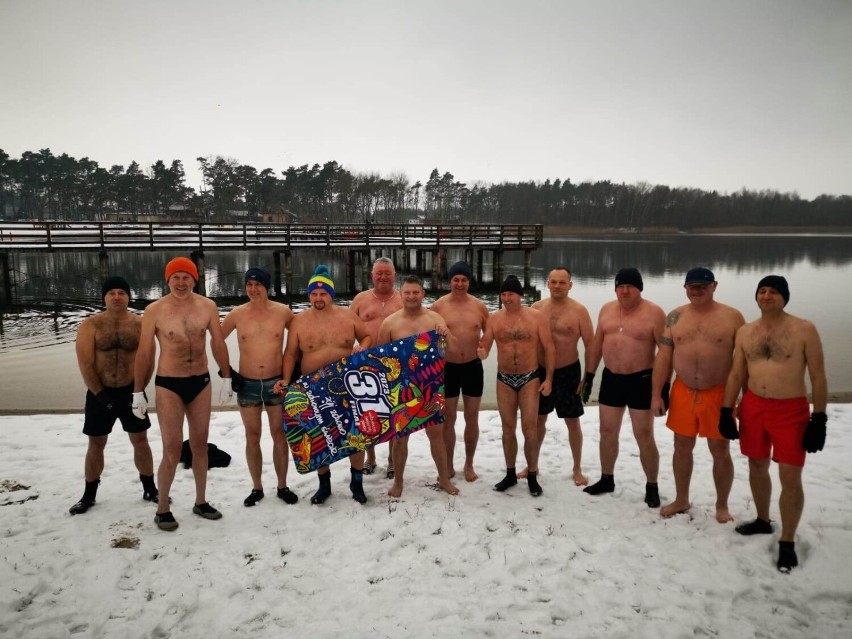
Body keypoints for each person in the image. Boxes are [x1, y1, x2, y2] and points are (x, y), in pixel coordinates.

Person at [719, 275, 827, 573]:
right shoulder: (746, 332)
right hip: (754, 406)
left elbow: (818, 376)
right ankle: (763, 520)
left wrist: (819, 417)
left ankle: (788, 541)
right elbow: (736, 374)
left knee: (790, 475)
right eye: (762, 291)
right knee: (756, 464)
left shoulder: (804, 329)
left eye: (774, 292)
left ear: (785, 297)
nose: (767, 296)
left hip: (790, 410)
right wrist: (726, 410)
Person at [132, 257, 232, 531]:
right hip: (169, 384)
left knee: (200, 445)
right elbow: (144, 352)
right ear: (167, 280)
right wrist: (137, 391)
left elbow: (218, 341)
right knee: (172, 448)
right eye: (175, 277)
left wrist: (226, 376)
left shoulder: (207, 306)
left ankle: (200, 501)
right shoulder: (155, 310)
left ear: (195, 279)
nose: (180, 282)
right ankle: (162, 507)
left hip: (201, 382)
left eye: (186, 277)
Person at [651, 267, 745, 522]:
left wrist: (742, 398)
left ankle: (722, 506)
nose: (697, 290)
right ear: (685, 288)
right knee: (681, 446)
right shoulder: (675, 317)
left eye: (703, 285)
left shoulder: (732, 317)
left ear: (714, 286)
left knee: (720, 449)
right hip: (683, 391)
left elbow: (742, 362)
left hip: (719, 393)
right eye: (692, 285)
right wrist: (658, 393)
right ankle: (682, 499)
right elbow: (664, 358)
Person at [273, 265, 373, 504]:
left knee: (355, 433)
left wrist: (363, 347)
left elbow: (367, 336)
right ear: (309, 296)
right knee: (319, 435)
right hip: (313, 387)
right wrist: (286, 380)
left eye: (323, 293)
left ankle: (356, 482)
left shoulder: (348, 316)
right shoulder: (299, 321)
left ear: (331, 294)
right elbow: (290, 354)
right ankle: (324, 484)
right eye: (314, 294)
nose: (318, 298)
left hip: (346, 384)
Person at [70, 276, 158, 514]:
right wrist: (100, 395)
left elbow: (148, 360)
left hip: (132, 392)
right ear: (104, 297)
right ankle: (89, 495)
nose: (117, 297)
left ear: (128, 296)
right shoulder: (91, 325)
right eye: (112, 293)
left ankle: (150, 488)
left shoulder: (140, 324)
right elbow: (85, 363)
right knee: (96, 443)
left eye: (122, 292)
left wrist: (139, 391)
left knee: (140, 441)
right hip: (100, 394)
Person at [582, 267, 665, 507]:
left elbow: (666, 353)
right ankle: (607, 478)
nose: (625, 291)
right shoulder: (607, 309)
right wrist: (588, 376)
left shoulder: (654, 313)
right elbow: (597, 344)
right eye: (621, 286)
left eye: (630, 286)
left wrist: (662, 388)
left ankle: (652, 485)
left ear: (639, 288)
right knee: (607, 432)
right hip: (612, 379)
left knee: (644, 434)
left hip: (641, 380)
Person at [221, 267, 298, 508]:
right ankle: (256, 487)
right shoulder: (236, 314)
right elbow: (215, 339)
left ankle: (282, 485)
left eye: (258, 285)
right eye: (249, 285)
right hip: (248, 384)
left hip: (276, 383)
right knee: (252, 436)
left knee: (279, 435)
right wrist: (226, 374)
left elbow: (297, 344)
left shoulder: (283, 312)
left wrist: (290, 377)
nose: (253, 290)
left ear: (267, 287)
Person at [378, 275, 460, 498]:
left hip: (430, 385)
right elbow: (379, 358)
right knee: (400, 438)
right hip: (401, 386)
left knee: (437, 435)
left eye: (416, 292)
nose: (412, 296)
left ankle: (443, 479)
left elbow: (452, 349)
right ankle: (399, 482)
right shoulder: (390, 323)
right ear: (401, 294)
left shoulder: (435, 319)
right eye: (407, 292)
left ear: (423, 294)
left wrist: (446, 335)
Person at [477, 274, 554, 497]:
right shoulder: (495, 319)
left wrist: (548, 379)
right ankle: (510, 474)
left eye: (511, 294)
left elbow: (549, 348)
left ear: (520, 295)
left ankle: (531, 474)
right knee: (507, 429)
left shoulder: (536, 317)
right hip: (505, 379)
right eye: (503, 294)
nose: (506, 298)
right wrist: (481, 352)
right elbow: (486, 346)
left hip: (530, 377)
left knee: (530, 430)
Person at [524, 267, 594, 486]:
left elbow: (591, 346)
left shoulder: (579, 311)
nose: (557, 286)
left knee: (572, 421)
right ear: (547, 283)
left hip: (568, 371)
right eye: (553, 282)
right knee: (538, 420)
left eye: (562, 282)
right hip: (541, 370)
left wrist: (587, 378)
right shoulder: (536, 308)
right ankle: (532, 465)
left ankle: (577, 468)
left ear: (570, 285)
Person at [430, 261, 489, 482]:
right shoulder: (438, 307)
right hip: (448, 368)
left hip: (473, 367)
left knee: (472, 417)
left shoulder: (479, 306)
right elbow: (427, 336)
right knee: (449, 419)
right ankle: (449, 464)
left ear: (469, 281)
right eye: (456, 279)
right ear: (450, 281)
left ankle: (469, 464)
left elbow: (489, 332)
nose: (460, 283)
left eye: (464, 280)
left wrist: (486, 348)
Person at [351, 257, 403, 477]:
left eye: (387, 273)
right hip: (365, 365)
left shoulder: (404, 299)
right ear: (372, 275)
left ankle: (392, 460)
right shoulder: (361, 299)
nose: (383, 277)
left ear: (394, 276)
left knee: (394, 414)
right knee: (367, 413)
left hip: (396, 365)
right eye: (379, 273)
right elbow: (346, 326)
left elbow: (420, 323)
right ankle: (370, 459)